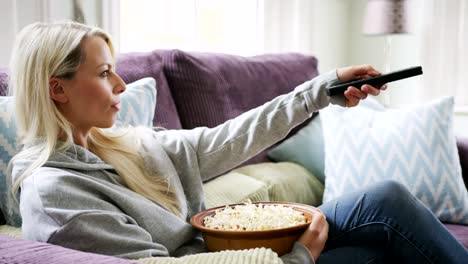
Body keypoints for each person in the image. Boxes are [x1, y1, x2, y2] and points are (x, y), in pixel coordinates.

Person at [7, 21, 467, 264]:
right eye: (106, 73)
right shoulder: (56, 195)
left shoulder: (124, 144)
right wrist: (300, 256)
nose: (122, 85)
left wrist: (320, 91)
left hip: (238, 251)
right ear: (57, 89)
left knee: (384, 201)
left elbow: (231, 136)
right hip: (242, 261)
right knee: (376, 252)